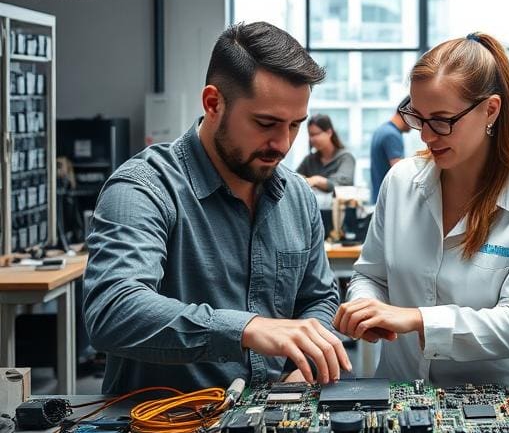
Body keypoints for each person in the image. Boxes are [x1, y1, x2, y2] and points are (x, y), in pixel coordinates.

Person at [83, 22, 350, 393]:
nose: (283, 143)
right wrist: (246, 329)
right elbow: (115, 311)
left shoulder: (297, 196)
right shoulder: (144, 187)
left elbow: (318, 299)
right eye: (266, 123)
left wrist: (303, 367)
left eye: (295, 126)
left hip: (274, 426)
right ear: (213, 103)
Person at [334, 32, 509, 386]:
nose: (426, 136)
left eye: (442, 120)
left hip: (502, 402)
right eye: (417, 117)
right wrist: (366, 308)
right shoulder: (401, 181)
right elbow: (371, 275)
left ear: (490, 110)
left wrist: (416, 319)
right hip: (402, 392)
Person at [296, 114, 356, 193]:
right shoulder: (309, 160)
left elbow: (343, 184)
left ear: (329, 132)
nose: (312, 139)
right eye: (310, 135)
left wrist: (316, 180)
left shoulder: (346, 157)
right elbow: (295, 180)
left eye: (316, 134)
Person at [369, 103, 411, 203]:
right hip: (389, 201)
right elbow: (400, 173)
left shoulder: (381, 130)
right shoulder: (392, 135)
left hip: (378, 198)